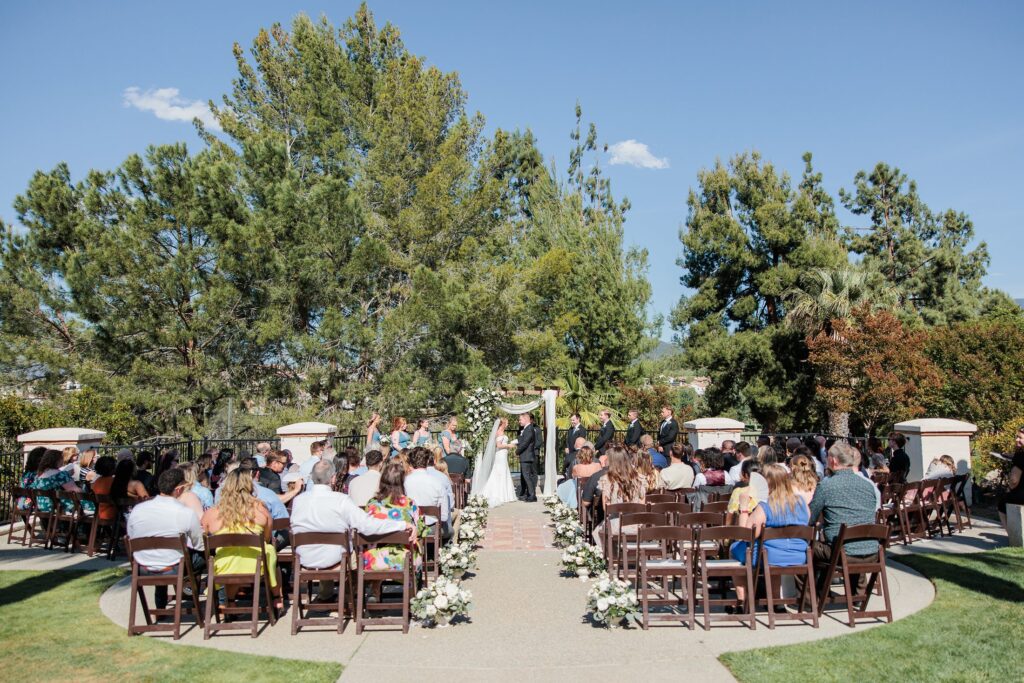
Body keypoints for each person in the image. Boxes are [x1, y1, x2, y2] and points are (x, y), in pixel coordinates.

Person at [290, 459, 414, 601]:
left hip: (305, 558)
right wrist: (401, 525)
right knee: (355, 552)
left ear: (312, 477)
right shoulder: (341, 500)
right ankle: (349, 597)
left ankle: (325, 594)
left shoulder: (298, 500)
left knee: (333, 546)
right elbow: (367, 526)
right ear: (333, 478)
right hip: (335, 559)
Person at [805, 441, 882, 592]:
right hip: (871, 551)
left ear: (833, 460)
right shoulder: (867, 485)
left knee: (805, 548)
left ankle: (811, 596)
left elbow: (810, 519)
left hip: (841, 552)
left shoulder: (827, 486)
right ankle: (858, 591)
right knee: (848, 538)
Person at [730, 463, 811, 604]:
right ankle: (775, 601)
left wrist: (743, 508)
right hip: (799, 555)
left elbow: (745, 535)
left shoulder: (765, 506)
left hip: (770, 556)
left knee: (734, 548)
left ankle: (742, 598)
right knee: (772, 549)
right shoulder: (802, 503)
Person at [127, 468, 206, 610]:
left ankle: (161, 605)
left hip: (142, 567)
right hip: (174, 566)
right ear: (179, 489)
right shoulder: (185, 512)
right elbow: (199, 545)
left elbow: (131, 535)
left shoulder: (138, 509)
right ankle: (188, 594)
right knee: (203, 557)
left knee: (165, 554)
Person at [201, 469, 282, 609]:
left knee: (232, 555)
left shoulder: (212, 513)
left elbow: (204, 536)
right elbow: (268, 537)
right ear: (249, 485)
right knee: (269, 551)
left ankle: (230, 602)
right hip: (256, 564)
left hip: (224, 566)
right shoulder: (260, 509)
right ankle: (276, 597)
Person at [364, 460, 424, 573]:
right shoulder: (410, 504)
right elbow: (420, 529)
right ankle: (411, 587)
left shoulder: (372, 504)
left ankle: (375, 585)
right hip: (403, 556)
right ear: (402, 482)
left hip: (374, 556)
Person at [592, 446, 646, 545]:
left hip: (616, 523)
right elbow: (642, 506)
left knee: (597, 532)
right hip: (636, 523)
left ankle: (610, 556)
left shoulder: (607, 479)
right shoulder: (639, 478)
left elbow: (606, 508)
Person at [405, 446, 451, 539]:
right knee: (450, 531)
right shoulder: (437, 482)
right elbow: (444, 516)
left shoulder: (404, 481)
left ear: (410, 462)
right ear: (427, 462)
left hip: (408, 527)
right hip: (431, 527)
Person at [29, 449, 91, 514]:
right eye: (62, 458)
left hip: (43, 508)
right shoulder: (61, 475)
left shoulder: (38, 477)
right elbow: (75, 490)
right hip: (61, 508)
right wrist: (85, 492)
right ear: (57, 460)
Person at [479, 417, 517, 507]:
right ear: (502, 424)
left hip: (502, 455)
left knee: (501, 472)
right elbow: (498, 445)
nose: (507, 424)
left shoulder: (499, 432)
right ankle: (501, 495)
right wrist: (509, 445)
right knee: (500, 472)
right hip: (500, 455)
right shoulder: (499, 432)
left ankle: (503, 493)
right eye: (506, 423)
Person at [998, 426, 1024, 529]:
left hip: (1022, 495)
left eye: (1020, 437)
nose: (1017, 439)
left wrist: (1009, 488)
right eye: (1017, 437)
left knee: (1002, 503)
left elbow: (1014, 481)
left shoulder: (1021, 456)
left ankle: (1013, 536)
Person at [515, 413, 540, 502]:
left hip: (527, 456)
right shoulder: (527, 429)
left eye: (520, 420)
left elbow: (525, 443)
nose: (519, 421)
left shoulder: (529, 429)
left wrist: (517, 451)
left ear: (526, 419)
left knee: (527, 476)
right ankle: (531, 494)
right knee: (528, 476)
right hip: (527, 456)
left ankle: (532, 495)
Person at [89, 456, 119, 522]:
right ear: (112, 468)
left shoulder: (97, 481)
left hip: (99, 513)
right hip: (113, 514)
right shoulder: (114, 482)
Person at [564, 413, 587, 477]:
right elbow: (567, 440)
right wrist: (567, 447)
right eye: (571, 420)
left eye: (573, 420)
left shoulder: (582, 430)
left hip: (576, 453)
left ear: (578, 419)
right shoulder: (570, 429)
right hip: (569, 452)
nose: (572, 422)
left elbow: (581, 442)